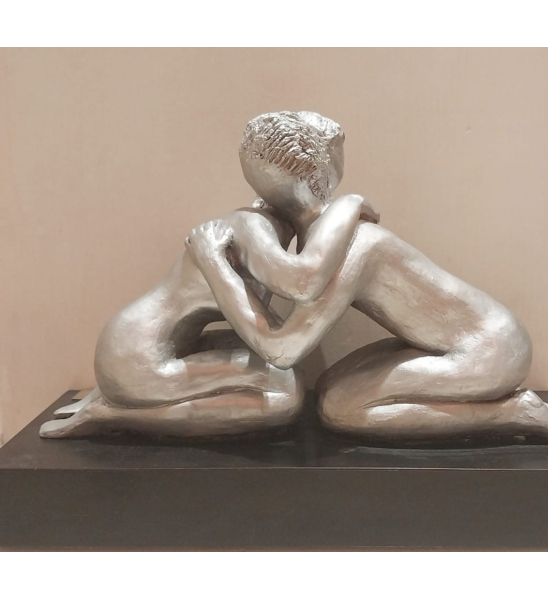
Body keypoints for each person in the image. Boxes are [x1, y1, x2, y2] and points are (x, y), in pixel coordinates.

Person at [189, 115, 548, 445]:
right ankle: (497, 405)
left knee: (339, 408)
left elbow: (283, 349)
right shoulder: (324, 243)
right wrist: (351, 203)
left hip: (491, 350)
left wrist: (214, 264)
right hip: (455, 343)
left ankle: (513, 412)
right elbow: (295, 294)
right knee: (328, 388)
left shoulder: (352, 247)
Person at [39, 111, 376, 438]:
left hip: (144, 347)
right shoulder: (251, 226)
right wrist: (350, 205)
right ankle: (112, 415)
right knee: (284, 396)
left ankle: (115, 401)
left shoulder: (263, 222)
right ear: (314, 173)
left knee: (283, 380)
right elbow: (300, 282)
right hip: (136, 357)